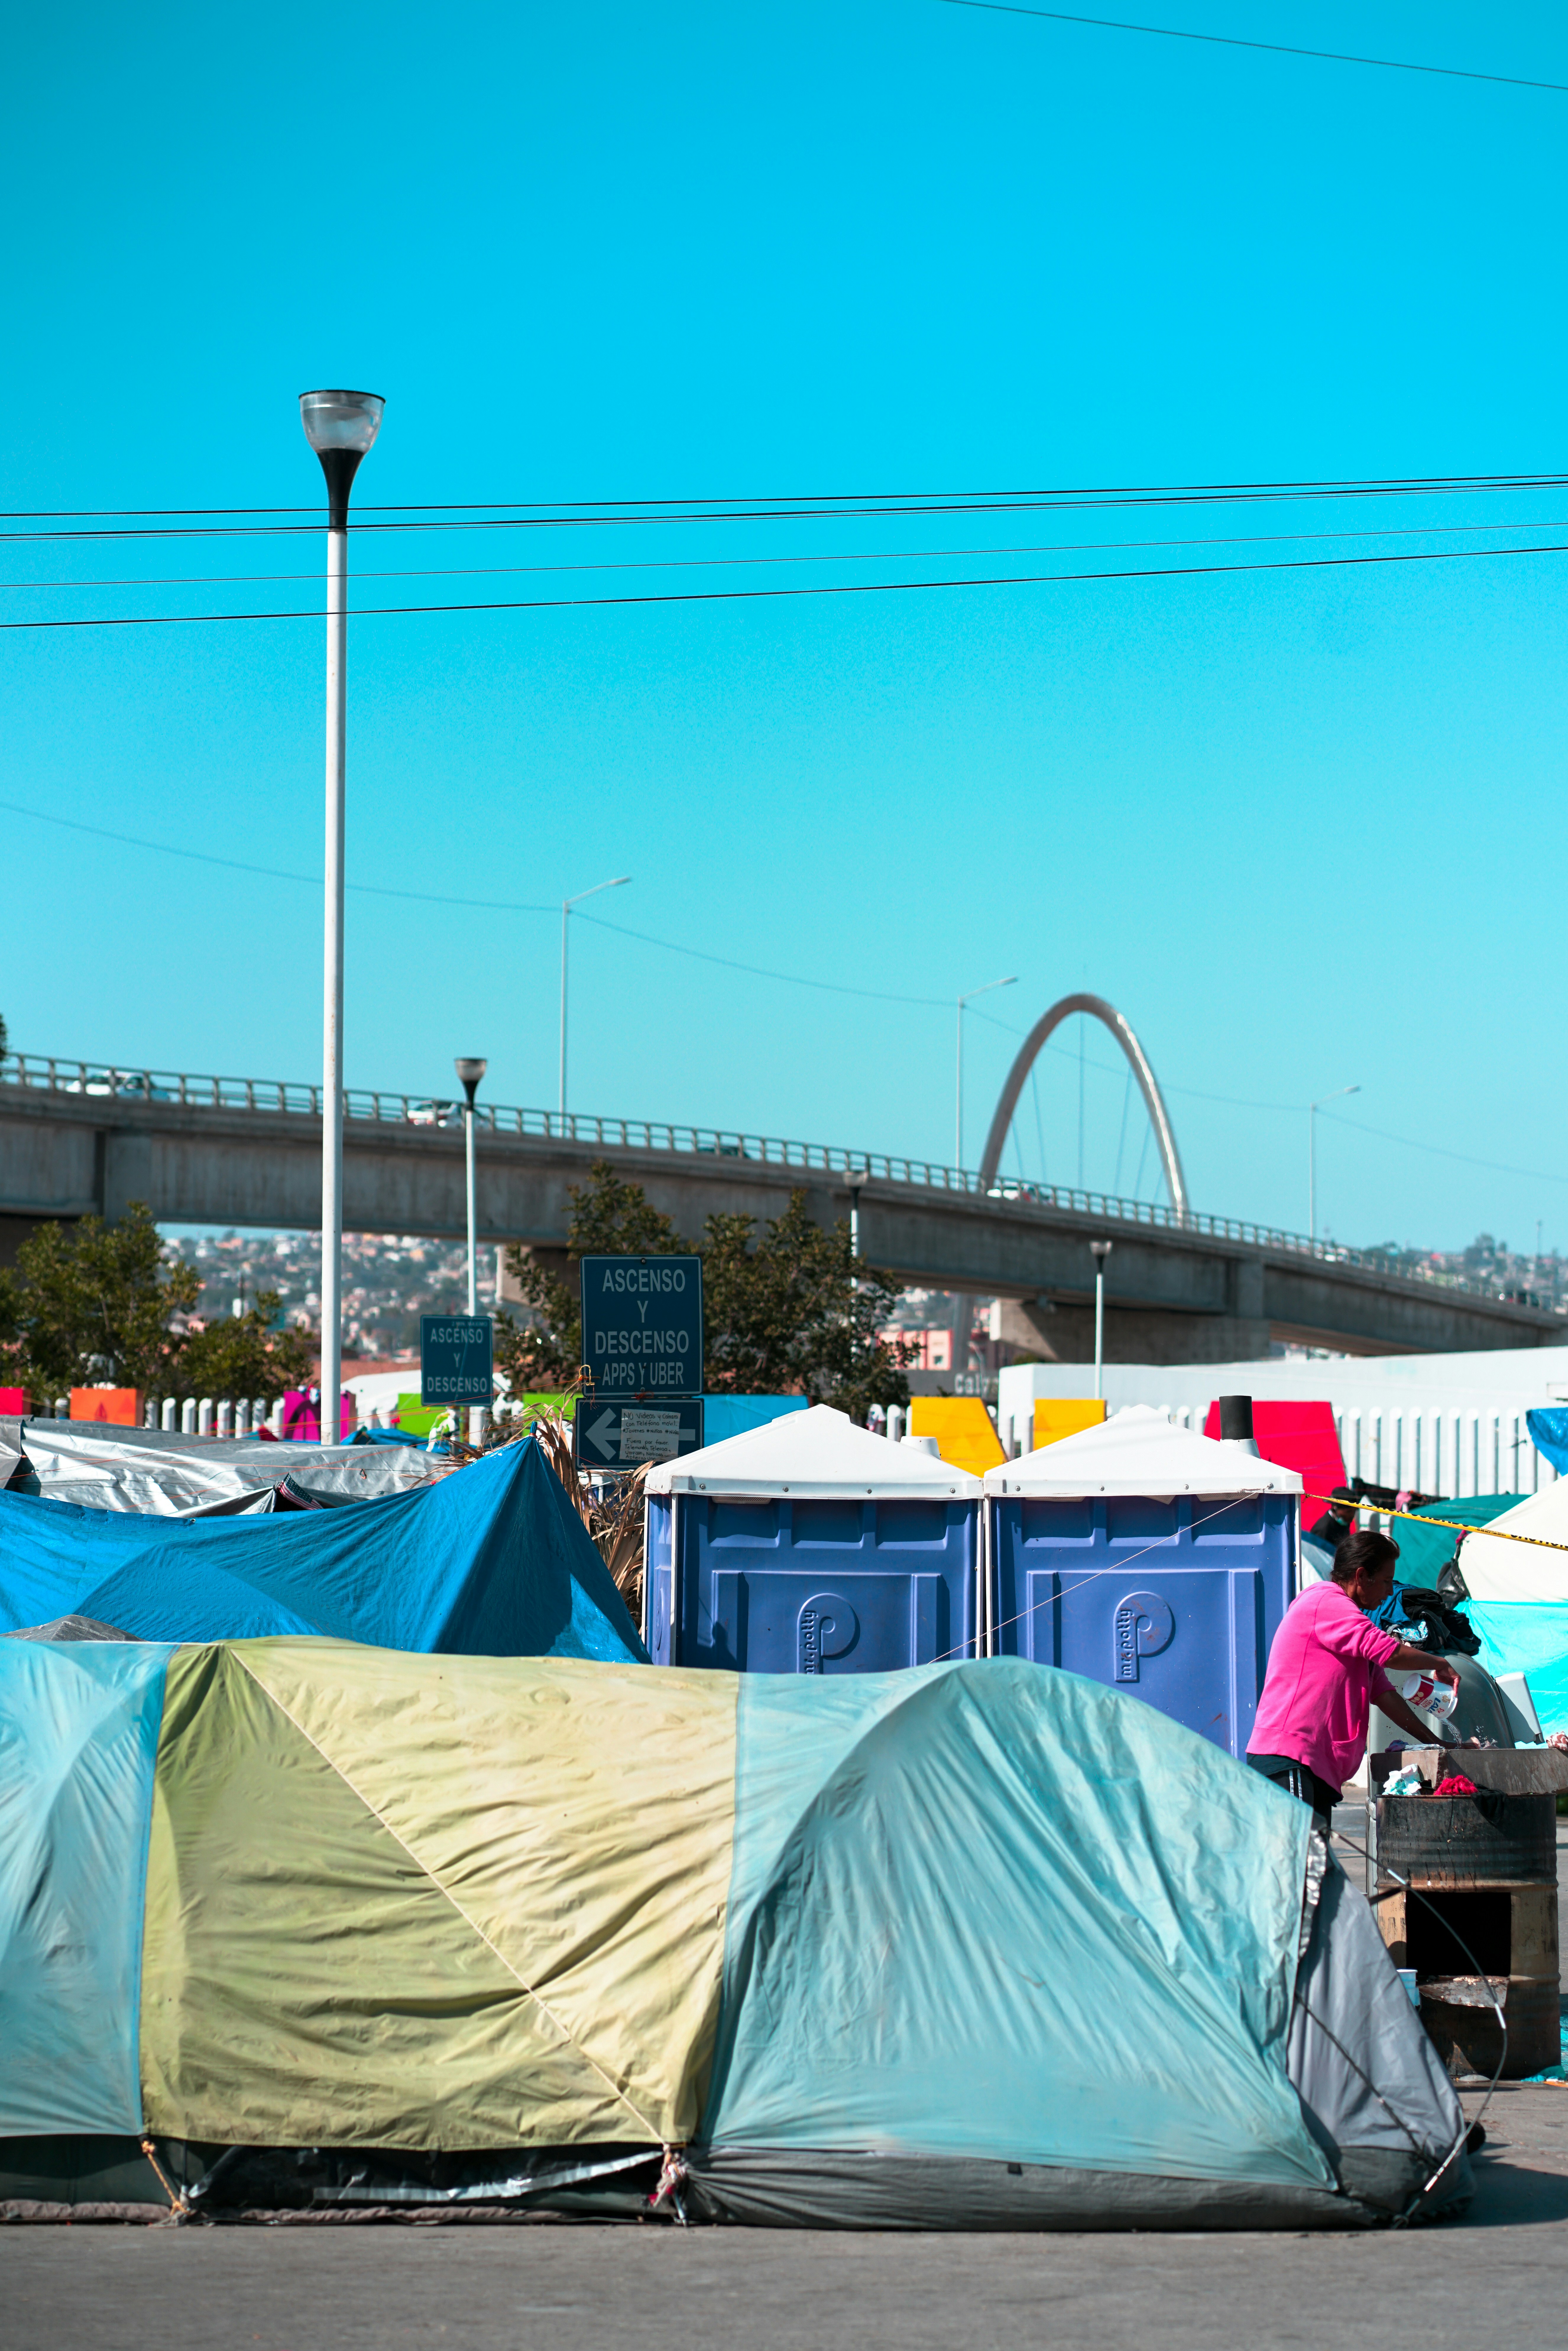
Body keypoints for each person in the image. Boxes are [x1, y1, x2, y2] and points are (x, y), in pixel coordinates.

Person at [1247, 1528, 1460, 1827]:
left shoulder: (1351, 1621)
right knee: (1296, 1864)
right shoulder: (1327, 1603)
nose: (1389, 1591)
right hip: (1290, 1759)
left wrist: (1436, 1743)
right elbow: (1390, 1652)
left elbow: (1384, 1694)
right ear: (1361, 1576)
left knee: (1312, 1867)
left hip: (1314, 1766)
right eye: (1386, 1581)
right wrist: (1439, 1662)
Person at [1306, 1485, 1358, 1552]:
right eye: (1349, 1512)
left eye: (1354, 1511)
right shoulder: (1323, 1530)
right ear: (1335, 1508)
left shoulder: (1344, 1522)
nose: (1352, 1515)